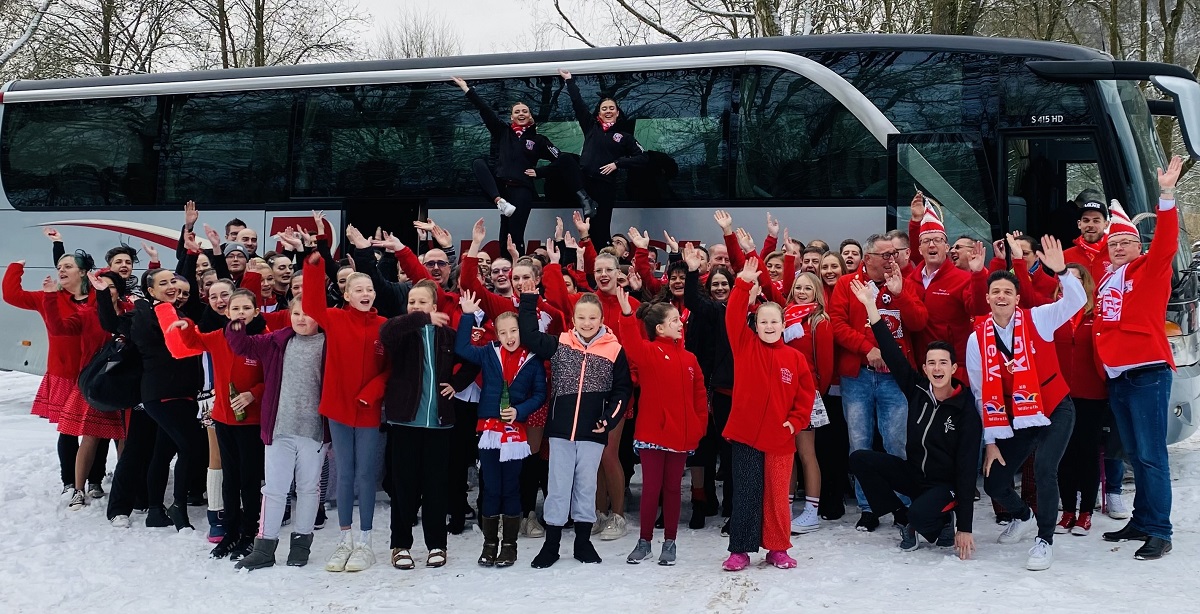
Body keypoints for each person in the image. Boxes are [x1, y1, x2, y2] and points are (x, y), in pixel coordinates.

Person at [967, 235, 1085, 571]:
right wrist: (990, 442)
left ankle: (1044, 539)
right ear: (988, 299)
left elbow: (1074, 302)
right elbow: (980, 394)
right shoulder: (978, 339)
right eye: (995, 292)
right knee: (994, 481)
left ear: (1017, 298)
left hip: (1053, 407)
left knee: (1046, 469)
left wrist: (1062, 272)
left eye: (1007, 291)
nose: (1001, 296)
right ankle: (1024, 515)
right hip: (1013, 416)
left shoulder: (1039, 318)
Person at [846, 276, 981, 559]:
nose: (937, 367)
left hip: (947, 486)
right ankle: (902, 515)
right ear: (924, 367)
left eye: (943, 362)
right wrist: (871, 306)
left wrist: (966, 527)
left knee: (922, 516)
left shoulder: (965, 408)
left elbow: (968, 470)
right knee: (860, 458)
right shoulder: (917, 388)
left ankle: (944, 520)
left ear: (954, 367)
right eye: (931, 362)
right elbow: (892, 353)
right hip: (915, 476)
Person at [1097, 157, 1183, 561]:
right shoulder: (1108, 278)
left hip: (1147, 373)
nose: (1116, 248)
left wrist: (1166, 194)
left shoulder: (1149, 269)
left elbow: (1166, 242)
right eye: (1112, 244)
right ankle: (1142, 519)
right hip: (1118, 377)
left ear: (1138, 245)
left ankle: (1160, 530)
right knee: (1135, 453)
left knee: (1151, 456)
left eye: (1124, 243)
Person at [519, 289, 632, 568]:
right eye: (581, 317)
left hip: (592, 432)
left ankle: (583, 542)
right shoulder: (560, 343)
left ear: (602, 318)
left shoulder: (614, 349)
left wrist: (609, 418)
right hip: (561, 431)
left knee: (586, 486)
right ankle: (552, 545)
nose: (587, 322)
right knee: (558, 488)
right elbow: (530, 336)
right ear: (573, 318)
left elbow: (622, 389)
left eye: (592, 317)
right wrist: (529, 300)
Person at [829, 233, 928, 531]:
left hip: (895, 379)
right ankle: (869, 507)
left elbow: (919, 323)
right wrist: (867, 348)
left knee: (896, 443)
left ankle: (902, 505)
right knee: (859, 444)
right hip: (858, 377)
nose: (892, 259)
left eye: (894, 254)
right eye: (885, 255)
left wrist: (900, 294)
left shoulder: (904, 282)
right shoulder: (848, 285)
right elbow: (837, 324)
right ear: (867, 258)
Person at [721, 258, 814, 572]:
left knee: (777, 495)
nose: (769, 327)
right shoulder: (744, 345)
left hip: (779, 437)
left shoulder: (795, 359)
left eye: (775, 322)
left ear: (784, 323)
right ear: (756, 325)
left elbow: (805, 395)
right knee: (746, 493)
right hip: (745, 434)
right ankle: (740, 550)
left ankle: (777, 548)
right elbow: (733, 315)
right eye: (763, 322)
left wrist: (796, 422)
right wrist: (743, 283)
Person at [163, 288, 267, 561]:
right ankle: (231, 532)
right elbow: (195, 342)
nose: (240, 313)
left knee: (250, 479)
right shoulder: (220, 337)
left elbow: (274, 378)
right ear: (227, 312)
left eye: (246, 308)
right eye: (235, 309)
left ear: (256, 311)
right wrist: (186, 327)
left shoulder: (264, 339)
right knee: (229, 479)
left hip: (252, 420)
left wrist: (253, 393)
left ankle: (250, 533)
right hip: (223, 417)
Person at [301, 251, 389, 573]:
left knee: (366, 474)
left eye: (369, 289)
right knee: (345, 474)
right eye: (358, 290)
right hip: (338, 408)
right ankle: (345, 539)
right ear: (347, 295)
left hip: (367, 409)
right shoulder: (335, 319)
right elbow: (310, 305)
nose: (365, 294)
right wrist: (313, 267)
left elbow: (390, 370)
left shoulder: (384, 326)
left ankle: (366, 542)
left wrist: (371, 393)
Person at [379, 280, 474, 570]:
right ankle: (400, 545)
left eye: (422, 303)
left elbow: (472, 360)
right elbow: (386, 333)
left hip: (439, 424)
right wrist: (418, 319)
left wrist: (455, 384)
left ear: (435, 306)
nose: (415, 307)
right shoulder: (402, 331)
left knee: (436, 487)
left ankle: (436, 545)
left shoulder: (447, 336)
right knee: (403, 486)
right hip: (405, 422)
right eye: (411, 303)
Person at [225, 301, 327, 570]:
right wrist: (237, 323)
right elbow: (242, 346)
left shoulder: (329, 343)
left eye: (308, 313)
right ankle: (265, 547)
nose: (301, 319)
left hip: (314, 430)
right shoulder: (276, 341)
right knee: (273, 489)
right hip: (279, 428)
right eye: (295, 313)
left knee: (307, 488)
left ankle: (301, 545)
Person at [455, 290, 547, 567]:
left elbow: (540, 394)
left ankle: (509, 546)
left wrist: (520, 411)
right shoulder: (487, 353)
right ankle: (489, 544)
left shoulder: (531, 360)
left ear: (522, 332)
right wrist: (468, 316)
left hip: (515, 435)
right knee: (491, 487)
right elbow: (461, 349)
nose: (509, 337)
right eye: (503, 332)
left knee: (511, 488)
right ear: (496, 334)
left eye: (514, 331)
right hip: (489, 433)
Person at [617, 288, 707, 565]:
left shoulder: (690, 358)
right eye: (675, 321)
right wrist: (626, 313)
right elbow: (630, 341)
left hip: (681, 436)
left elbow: (700, 396)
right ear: (660, 328)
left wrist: (698, 426)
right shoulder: (648, 352)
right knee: (651, 488)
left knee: (671, 489)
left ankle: (670, 541)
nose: (681, 324)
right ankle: (644, 541)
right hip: (652, 434)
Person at [452, 77, 592, 254]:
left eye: (524, 111)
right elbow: (485, 110)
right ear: (511, 117)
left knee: (512, 237)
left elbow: (562, 160)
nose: (521, 114)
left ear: (530, 116)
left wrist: (540, 172)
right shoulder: (503, 132)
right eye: (517, 111)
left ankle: (516, 268)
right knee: (478, 163)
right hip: (501, 190)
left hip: (521, 191)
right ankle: (499, 202)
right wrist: (467, 89)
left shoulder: (538, 140)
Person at [129, 268, 206, 531]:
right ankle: (178, 505)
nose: (171, 286)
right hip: (162, 394)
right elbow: (172, 349)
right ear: (151, 291)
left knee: (163, 452)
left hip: (182, 394)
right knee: (192, 448)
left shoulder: (178, 312)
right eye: (163, 283)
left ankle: (154, 510)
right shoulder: (146, 315)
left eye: (173, 281)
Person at [559, 68, 648, 246]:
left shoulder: (624, 136)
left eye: (611, 108)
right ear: (599, 113)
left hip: (605, 187)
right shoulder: (591, 128)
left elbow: (643, 158)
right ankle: (584, 198)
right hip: (586, 183)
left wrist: (618, 163)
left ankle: (603, 261)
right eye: (604, 108)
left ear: (617, 113)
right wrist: (569, 81)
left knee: (601, 229)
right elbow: (578, 104)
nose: (608, 111)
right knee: (565, 160)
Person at [905, 195, 989, 385]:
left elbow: (980, 309)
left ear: (947, 247)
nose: (932, 245)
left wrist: (978, 275)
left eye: (937, 240)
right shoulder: (910, 280)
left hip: (953, 368)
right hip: (919, 366)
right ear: (919, 248)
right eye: (926, 241)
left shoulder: (962, 279)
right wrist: (916, 221)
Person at [682, 249, 735, 531]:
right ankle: (702, 503)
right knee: (701, 449)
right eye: (714, 284)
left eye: (724, 284)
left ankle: (731, 506)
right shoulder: (702, 310)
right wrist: (691, 272)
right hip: (700, 389)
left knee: (728, 452)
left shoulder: (731, 311)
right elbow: (693, 300)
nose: (719, 288)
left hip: (727, 391)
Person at [1054, 264, 1104, 537]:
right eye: (1064, 280)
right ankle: (1068, 511)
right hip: (1060, 395)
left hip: (1092, 394)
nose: (1069, 285)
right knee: (1064, 454)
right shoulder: (1052, 313)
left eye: (1075, 279)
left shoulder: (1096, 315)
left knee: (1087, 453)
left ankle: (1086, 512)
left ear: (1086, 284)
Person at [782, 272, 833, 534]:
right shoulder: (783, 315)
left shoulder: (819, 321)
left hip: (806, 395)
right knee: (786, 454)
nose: (802, 292)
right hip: (783, 394)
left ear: (816, 293)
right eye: (798, 287)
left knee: (806, 453)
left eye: (807, 288)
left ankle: (811, 512)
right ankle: (786, 509)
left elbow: (824, 365)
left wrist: (813, 393)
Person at [1063, 199, 1112, 287]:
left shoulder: (1117, 253)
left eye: (1096, 221)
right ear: (1079, 224)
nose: (1090, 225)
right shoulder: (1065, 256)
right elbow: (1056, 290)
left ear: (1106, 224)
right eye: (1086, 220)